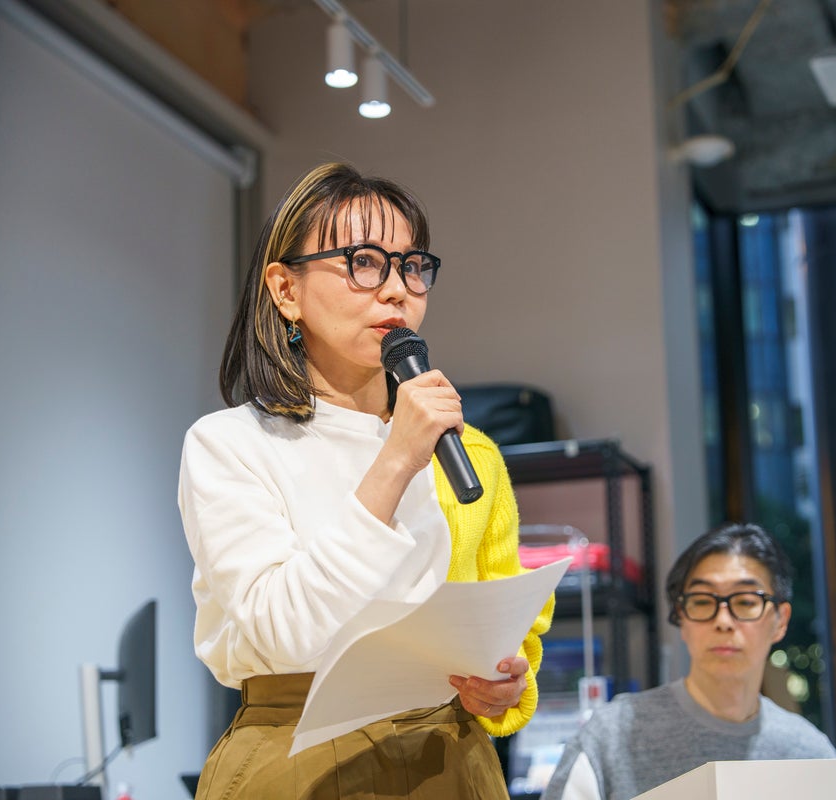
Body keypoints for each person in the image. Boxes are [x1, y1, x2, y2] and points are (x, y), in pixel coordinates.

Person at [177, 161, 554, 799]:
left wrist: (506, 684)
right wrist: (396, 460)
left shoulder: (469, 452)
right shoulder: (230, 443)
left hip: (451, 755)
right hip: (296, 751)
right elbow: (284, 631)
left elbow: (512, 623)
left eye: (412, 266)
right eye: (364, 262)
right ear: (285, 289)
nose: (397, 290)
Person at [542, 521, 836, 800]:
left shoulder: (809, 755)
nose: (723, 621)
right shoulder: (610, 736)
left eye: (746, 601)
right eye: (703, 601)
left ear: (780, 621)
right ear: (681, 618)